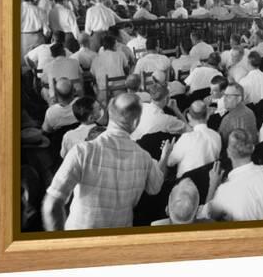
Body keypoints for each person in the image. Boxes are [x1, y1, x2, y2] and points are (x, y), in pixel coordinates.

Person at [42, 93, 174, 230]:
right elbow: (155, 188)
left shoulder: (81, 151)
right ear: (135, 122)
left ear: (109, 113)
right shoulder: (144, 158)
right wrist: (164, 157)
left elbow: (52, 206)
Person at [203, 129, 263, 221]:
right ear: (252, 148)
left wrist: (213, 185)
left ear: (228, 152)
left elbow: (207, 216)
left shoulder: (224, 191)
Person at [168, 101, 221, 178]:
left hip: (186, 184)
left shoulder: (186, 138)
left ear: (189, 117)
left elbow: (170, 162)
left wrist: (168, 150)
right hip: (207, 181)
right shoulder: (217, 136)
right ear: (207, 116)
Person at [217, 83, 258, 149]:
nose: (224, 99)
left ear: (239, 99)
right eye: (224, 95)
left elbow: (220, 144)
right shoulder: (250, 111)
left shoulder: (228, 119)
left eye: (228, 96)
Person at [90, 35, 129, 103]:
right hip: (119, 89)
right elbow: (127, 69)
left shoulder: (96, 58)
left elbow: (92, 76)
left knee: (101, 106)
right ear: (114, 45)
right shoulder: (120, 54)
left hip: (103, 91)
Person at [21, 0, 49, 64]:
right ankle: (38, 74)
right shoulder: (38, 9)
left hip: (24, 37)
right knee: (40, 57)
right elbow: (45, 27)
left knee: (26, 58)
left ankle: (29, 73)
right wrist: (46, 35)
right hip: (38, 36)